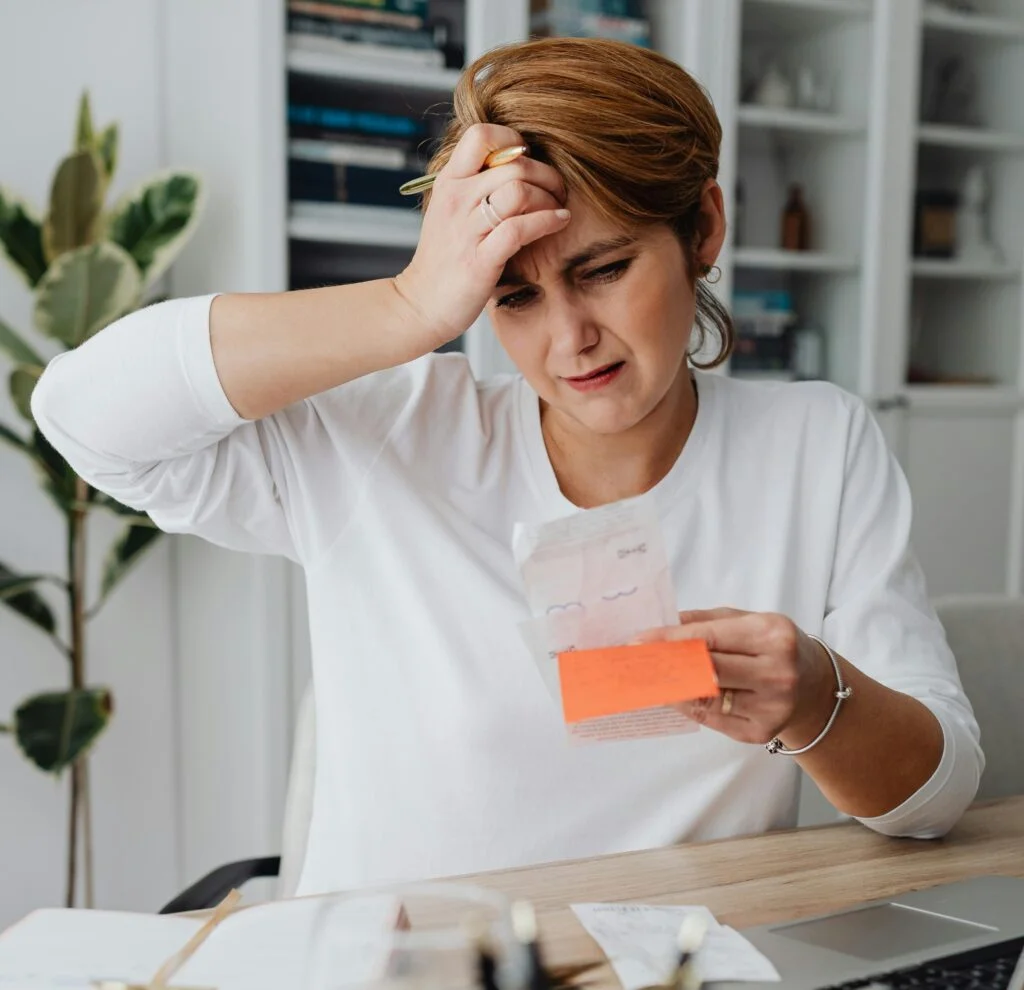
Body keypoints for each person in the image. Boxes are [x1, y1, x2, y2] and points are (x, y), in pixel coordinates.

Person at [32, 37, 982, 897]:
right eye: (515, 294)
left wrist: (819, 697)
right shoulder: (388, 438)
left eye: (605, 269)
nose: (569, 338)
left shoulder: (818, 445)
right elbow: (80, 414)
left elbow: (934, 799)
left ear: (703, 229)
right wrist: (410, 307)